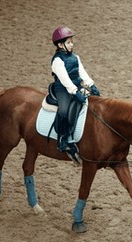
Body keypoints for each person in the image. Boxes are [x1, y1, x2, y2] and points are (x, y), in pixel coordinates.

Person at [50, 26, 101, 164]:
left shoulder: (75, 57)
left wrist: (91, 84)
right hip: (63, 89)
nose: (71, 44)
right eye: (68, 42)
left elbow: (82, 73)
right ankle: (63, 139)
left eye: (72, 41)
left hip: (77, 86)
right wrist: (75, 92)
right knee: (64, 111)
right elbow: (65, 79)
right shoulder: (57, 61)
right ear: (60, 45)